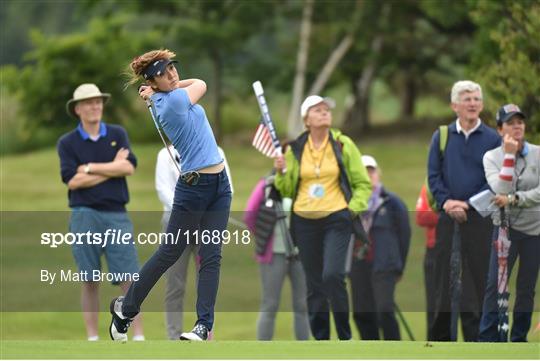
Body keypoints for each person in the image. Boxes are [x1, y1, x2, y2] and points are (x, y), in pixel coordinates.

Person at [109, 49, 232, 342]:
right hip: (194, 188)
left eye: (172, 69)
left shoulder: (165, 96)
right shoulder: (172, 102)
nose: (172, 75)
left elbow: (186, 85)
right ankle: (126, 308)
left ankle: (203, 326)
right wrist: (158, 91)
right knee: (169, 253)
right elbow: (201, 83)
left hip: (220, 186)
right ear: (153, 81)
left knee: (211, 256)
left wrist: (156, 89)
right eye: (163, 74)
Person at [273, 95, 372, 340]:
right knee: (314, 283)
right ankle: (321, 341)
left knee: (333, 275)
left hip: (337, 219)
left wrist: (352, 209)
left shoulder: (342, 143)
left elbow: (362, 183)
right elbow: (285, 189)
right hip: (304, 222)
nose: (325, 112)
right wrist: (280, 171)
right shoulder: (295, 148)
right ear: (307, 119)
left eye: (327, 109)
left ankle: (344, 336)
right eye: (318, 110)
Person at [57, 83, 144, 341]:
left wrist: (89, 168)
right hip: (84, 215)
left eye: (98, 102)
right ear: (78, 109)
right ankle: (93, 337)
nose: (94, 106)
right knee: (90, 278)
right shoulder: (67, 143)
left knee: (129, 277)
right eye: (88, 103)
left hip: (117, 213)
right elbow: (72, 181)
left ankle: (137, 336)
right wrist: (111, 167)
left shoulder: (117, 133)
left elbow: (128, 168)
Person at [427, 80, 501, 341]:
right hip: (448, 217)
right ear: (454, 105)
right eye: (467, 98)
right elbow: (433, 176)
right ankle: (440, 344)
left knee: (482, 280)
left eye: (476, 99)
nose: (472, 103)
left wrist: (468, 204)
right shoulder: (442, 136)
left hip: (480, 219)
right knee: (444, 282)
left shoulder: (493, 138)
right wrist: (447, 202)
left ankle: (487, 341)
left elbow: (495, 180)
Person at [155, 144, 233, 340]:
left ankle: (205, 333)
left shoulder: (216, 152)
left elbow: (226, 186)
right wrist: (189, 211)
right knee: (175, 284)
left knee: (206, 280)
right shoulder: (166, 154)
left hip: (206, 223)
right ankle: (173, 337)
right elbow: (163, 189)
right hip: (176, 222)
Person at [478, 104, 540, 342]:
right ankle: (487, 338)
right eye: (511, 123)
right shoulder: (491, 157)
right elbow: (500, 189)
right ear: (500, 129)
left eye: (520, 122)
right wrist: (509, 156)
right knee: (495, 285)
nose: (517, 127)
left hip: (534, 231)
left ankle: (518, 338)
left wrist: (515, 199)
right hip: (505, 229)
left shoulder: (538, 153)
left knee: (526, 288)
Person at [349, 155, 410, 340]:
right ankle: (371, 352)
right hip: (358, 264)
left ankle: (394, 351)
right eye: (364, 172)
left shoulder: (393, 203)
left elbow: (404, 235)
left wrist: (399, 266)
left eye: (371, 171)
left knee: (384, 309)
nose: (369, 176)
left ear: (378, 173)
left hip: (385, 265)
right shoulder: (351, 204)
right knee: (362, 313)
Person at [244, 170, 310, 341]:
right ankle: (263, 352)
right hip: (273, 255)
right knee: (270, 304)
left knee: (302, 305)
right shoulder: (266, 185)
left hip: (301, 254)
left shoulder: (303, 183)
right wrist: (262, 235)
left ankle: (305, 352)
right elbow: (249, 214)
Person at [415, 184, 439, 340]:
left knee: (468, 306)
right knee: (434, 305)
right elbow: (422, 217)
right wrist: (449, 211)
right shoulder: (429, 186)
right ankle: (434, 348)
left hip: (465, 251)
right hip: (434, 250)